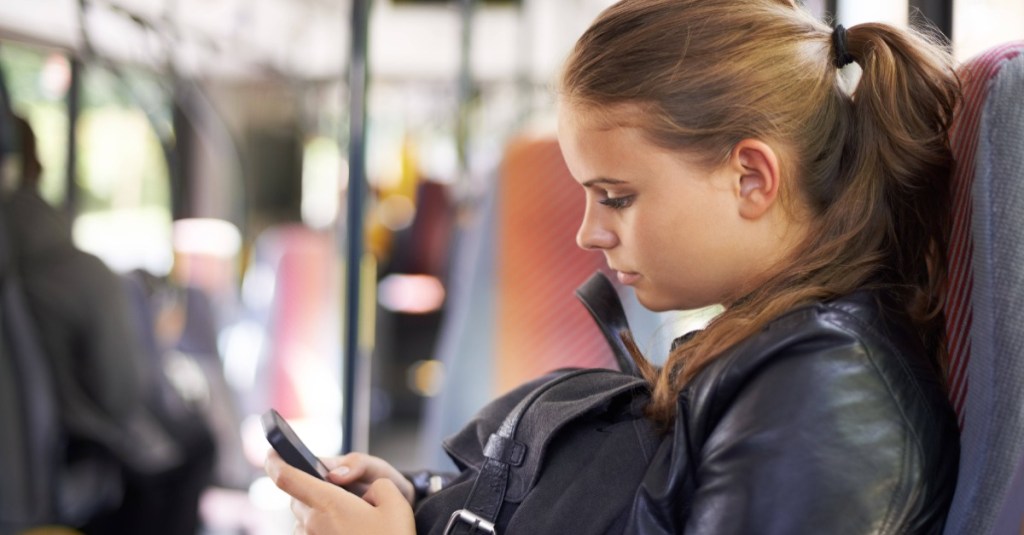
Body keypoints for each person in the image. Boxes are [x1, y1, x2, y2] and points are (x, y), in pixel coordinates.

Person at [265, 0, 961, 532]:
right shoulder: (765, 352)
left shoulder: (824, 404)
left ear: (750, 177)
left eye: (617, 197)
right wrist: (425, 501)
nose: (589, 233)